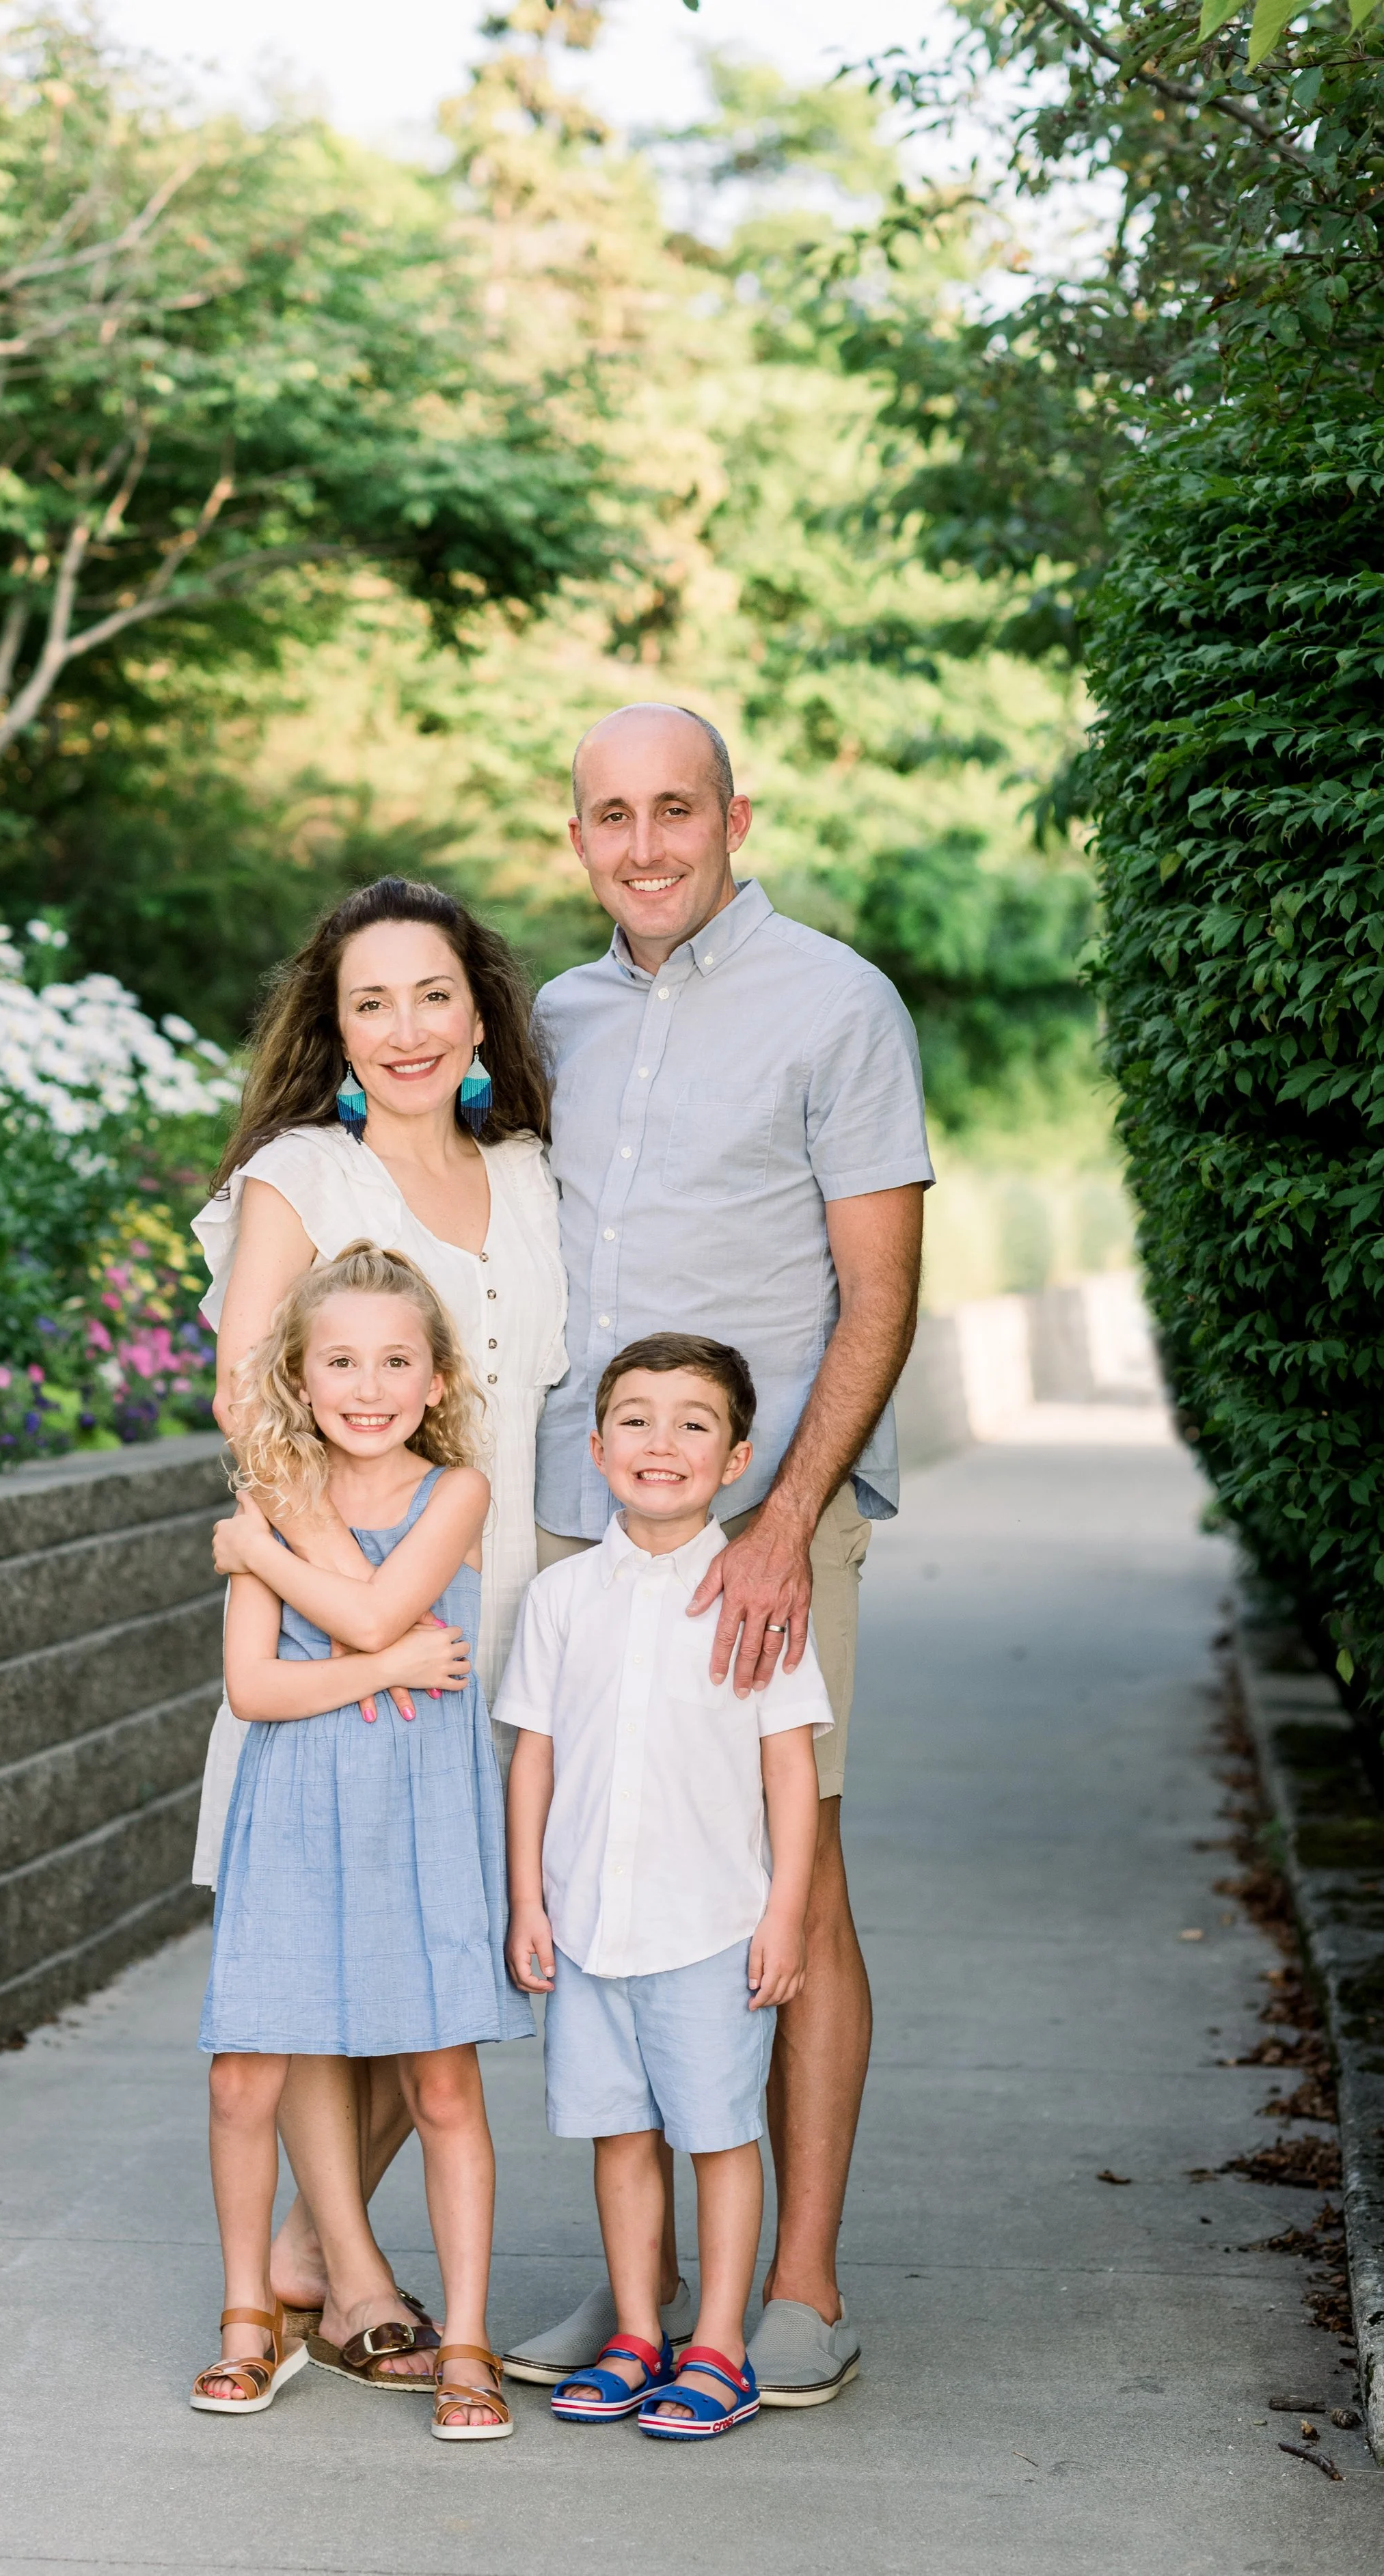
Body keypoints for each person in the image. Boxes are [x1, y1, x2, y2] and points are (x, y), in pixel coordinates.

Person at [504, 701, 932, 2407]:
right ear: (578, 836)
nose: (644, 845)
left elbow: (877, 1297)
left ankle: (798, 2287)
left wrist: (774, 1527)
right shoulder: (555, 1013)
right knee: (614, 1877)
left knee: (787, 1882)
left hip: (769, 1519)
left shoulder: (837, 1002)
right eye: (610, 815)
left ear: (733, 817)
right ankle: (646, 2292)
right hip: (581, 1517)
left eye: (674, 809)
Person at [189, 877, 566, 2377]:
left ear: (478, 1011)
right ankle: (344, 2273)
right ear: (333, 1028)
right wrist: (344, 1600)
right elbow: (247, 1406)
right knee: (308, 1958)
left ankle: (294, 2247)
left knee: (441, 1972)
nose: (404, 1029)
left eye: (430, 996)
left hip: (505, 1626)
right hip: (334, 1634)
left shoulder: (533, 1176)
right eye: (370, 1002)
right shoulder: (302, 1175)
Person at [193, 1243, 529, 2440]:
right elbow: (252, 1691)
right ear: (298, 1373)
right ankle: (248, 2316)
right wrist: (381, 1666)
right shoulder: (275, 1497)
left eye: (397, 1360)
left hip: (419, 1817)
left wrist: (265, 1560)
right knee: (247, 2072)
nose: (369, 1385)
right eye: (340, 1360)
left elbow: (388, 1609)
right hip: (290, 1813)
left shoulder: (459, 1495)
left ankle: (471, 2344)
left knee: (442, 2081)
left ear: (439, 1380)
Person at [500, 1334, 827, 2439]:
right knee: (620, 2133)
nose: (662, 1441)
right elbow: (533, 1756)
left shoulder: (761, 1598)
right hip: (589, 1926)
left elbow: (790, 1765)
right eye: (636, 1418)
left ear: (737, 1460)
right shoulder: (561, 1597)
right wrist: (529, 1904)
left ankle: (723, 2346)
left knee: (720, 2133)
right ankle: (641, 2329)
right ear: (596, 1448)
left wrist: (785, 1914)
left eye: (695, 1423)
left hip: (711, 1928)